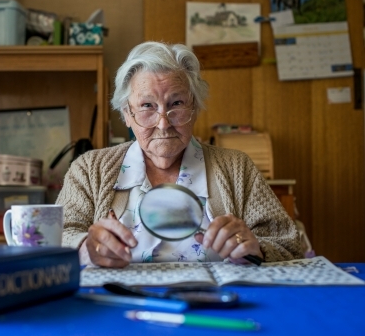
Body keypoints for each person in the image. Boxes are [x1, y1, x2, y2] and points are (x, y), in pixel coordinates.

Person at [57, 41, 303, 268]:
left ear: (194, 108)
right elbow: (55, 238)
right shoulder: (89, 169)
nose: (164, 123)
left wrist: (256, 248)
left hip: (213, 303)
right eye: (147, 106)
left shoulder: (237, 167)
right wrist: (85, 249)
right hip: (117, 300)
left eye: (176, 104)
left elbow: (289, 245)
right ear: (126, 114)